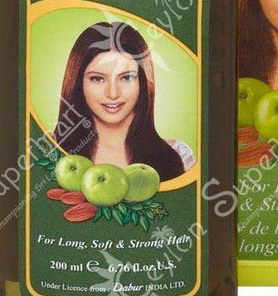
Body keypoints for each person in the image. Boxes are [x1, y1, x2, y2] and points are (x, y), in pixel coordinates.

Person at [54, 21, 190, 179]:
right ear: (77, 82)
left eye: (126, 78)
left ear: (142, 82)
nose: (113, 93)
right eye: (97, 79)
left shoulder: (177, 156)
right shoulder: (49, 149)